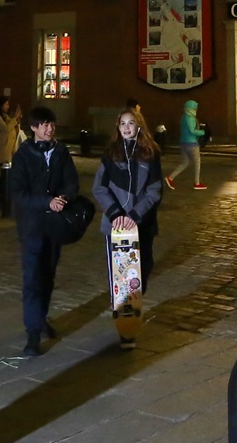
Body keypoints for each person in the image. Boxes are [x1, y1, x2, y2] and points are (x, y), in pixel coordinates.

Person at [10, 105, 77, 356]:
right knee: (32, 278)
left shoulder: (61, 152)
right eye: (44, 124)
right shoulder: (24, 155)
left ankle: (41, 317)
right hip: (31, 225)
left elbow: (72, 181)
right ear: (34, 128)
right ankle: (33, 333)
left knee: (48, 274)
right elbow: (18, 193)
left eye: (52, 124)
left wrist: (64, 197)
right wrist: (45, 202)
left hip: (55, 225)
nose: (49, 128)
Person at [95, 109, 164, 349]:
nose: (126, 127)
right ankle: (126, 331)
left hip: (141, 225)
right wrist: (116, 215)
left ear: (139, 126)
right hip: (116, 227)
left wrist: (135, 216)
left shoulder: (150, 154)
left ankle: (133, 310)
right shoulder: (110, 154)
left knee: (141, 272)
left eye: (131, 123)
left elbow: (154, 190)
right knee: (121, 277)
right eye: (122, 123)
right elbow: (99, 189)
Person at [0, 96, 21, 209]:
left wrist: (17, 119)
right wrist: (14, 119)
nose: (8, 107)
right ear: (0, 106)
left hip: (11, 149)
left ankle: (2, 197)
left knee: (8, 175)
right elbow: (6, 129)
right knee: (4, 175)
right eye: (6, 104)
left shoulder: (7, 117)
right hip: (3, 149)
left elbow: (14, 129)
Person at [167, 98, 205, 189]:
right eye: (195, 108)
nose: (196, 110)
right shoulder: (190, 118)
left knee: (185, 162)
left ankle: (170, 177)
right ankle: (197, 183)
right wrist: (202, 132)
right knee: (197, 163)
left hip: (183, 142)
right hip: (192, 143)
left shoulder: (183, 117)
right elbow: (192, 131)